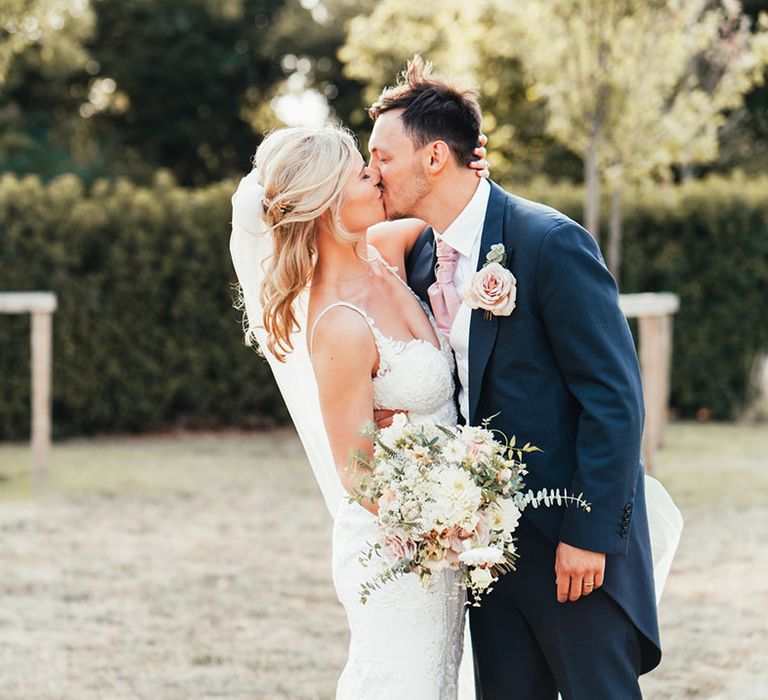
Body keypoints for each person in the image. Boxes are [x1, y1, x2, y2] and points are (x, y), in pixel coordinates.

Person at [366, 56, 669, 699]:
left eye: (382, 158)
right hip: (484, 554)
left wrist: (588, 536)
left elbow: (615, 399)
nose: (372, 174)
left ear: (436, 157)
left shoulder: (548, 242)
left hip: (570, 548)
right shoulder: (422, 255)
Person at [230, 124, 490, 698]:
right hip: (397, 554)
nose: (375, 173)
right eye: (360, 170)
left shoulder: (387, 250)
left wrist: (462, 163)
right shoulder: (339, 324)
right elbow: (357, 472)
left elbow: (458, 207)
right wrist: (446, 514)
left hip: (442, 541)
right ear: (325, 204)